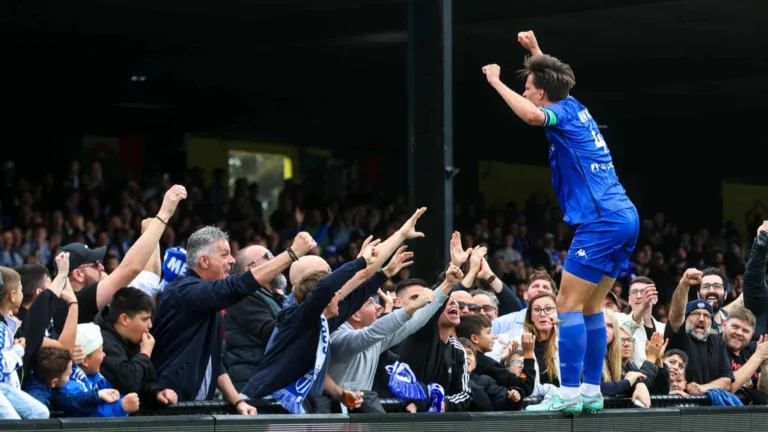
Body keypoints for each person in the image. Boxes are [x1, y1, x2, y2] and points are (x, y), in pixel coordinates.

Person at [482, 31, 639, 414]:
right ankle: (589, 391)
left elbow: (533, 115)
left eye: (528, 85)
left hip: (600, 219)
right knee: (592, 308)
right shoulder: (575, 103)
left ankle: (568, 394)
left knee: (566, 305)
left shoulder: (553, 110)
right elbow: (557, 79)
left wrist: (496, 81)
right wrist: (536, 52)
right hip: (625, 215)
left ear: (538, 92)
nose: (528, 89)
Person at [151, 227, 316, 414]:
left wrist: (238, 401)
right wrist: (291, 254)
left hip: (195, 409)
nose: (232, 260)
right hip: (169, 406)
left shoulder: (209, 304)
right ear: (204, 261)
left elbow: (215, 361)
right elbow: (236, 286)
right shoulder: (184, 291)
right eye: (224, 254)